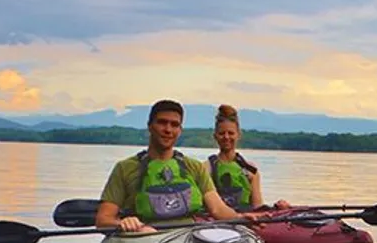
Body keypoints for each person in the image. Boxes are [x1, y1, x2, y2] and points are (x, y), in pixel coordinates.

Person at [95, 99, 262, 233]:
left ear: (180, 130)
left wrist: (240, 217)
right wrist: (124, 222)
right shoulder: (125, 168)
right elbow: (103, 220)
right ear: (150, 126)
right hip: (145, 234)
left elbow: (217, 209)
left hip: (189, 236)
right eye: (162, 123)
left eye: (174, 125)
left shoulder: (194, 167)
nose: (168, 129)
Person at [209, 103, 290, 212]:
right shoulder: (206, 168)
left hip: (245, 220)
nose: (226, 137)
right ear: (215, 136)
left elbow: (257, 207)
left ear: (238, 135)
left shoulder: (250, 170)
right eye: (222, 133)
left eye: (231, 133)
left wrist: (277, 208)